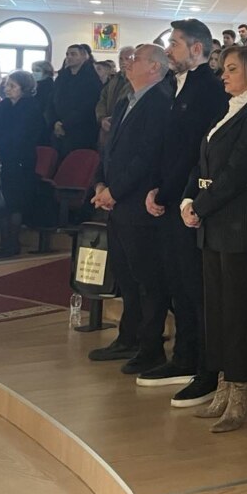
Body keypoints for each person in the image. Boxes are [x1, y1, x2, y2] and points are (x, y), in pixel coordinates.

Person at [182, 46, 247, 431]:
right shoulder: (229, 109)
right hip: (215, 218)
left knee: (240, 309)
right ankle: (225, 381)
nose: (223, 75)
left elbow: (239, 171)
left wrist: (201, 205)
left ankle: (243, 389)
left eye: (232, 69)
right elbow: (203, 162)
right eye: (224, 68)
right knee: (218, 307)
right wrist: (189, 199)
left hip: (239, 219)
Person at [142, 20, 231, 405]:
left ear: (197, 49)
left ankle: (202, 364)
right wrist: (156, 187)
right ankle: (183, 356)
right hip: (171, 198)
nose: (168, 51)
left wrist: (169, 193)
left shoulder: (208, 89)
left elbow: (195, 152)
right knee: (178, 284)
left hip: (189, 201)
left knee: (195, 290)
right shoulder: (176, 86)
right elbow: (165, 146)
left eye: (175, 44)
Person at [87, 45, 172, 374]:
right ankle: (128, 337)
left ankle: (151, 347)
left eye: (136, 58)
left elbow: (147, 156)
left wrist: (115, 191)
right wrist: (99, 184)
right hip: (116, 201)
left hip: (138, 204)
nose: (128, 62)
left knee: (147, 279)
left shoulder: (160, 101)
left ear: (154, 67)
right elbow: (108, 149)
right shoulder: (126, 99)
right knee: (125, 275)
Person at [0, 70, 46, 258]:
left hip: (20, 159)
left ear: (23, 88)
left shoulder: (31, 107)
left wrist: (1, 145)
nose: (7, 88)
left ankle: (12, 242)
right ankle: (3, 241)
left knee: (14, 202)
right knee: (2, 202)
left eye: (13, 86)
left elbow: (24, 135)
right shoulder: (3, 106)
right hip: (3, 156)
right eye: (7, 85)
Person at [50, 44, 102, 157]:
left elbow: (88, 106)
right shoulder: (62, 77)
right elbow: (52, 100)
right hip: (59, 127)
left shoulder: (91, 79)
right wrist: (55, 122)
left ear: (84, 57)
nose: (69, 57)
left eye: (73, 54)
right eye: (67, 54)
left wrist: (65, 124)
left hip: (80, 130)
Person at [96, 46, 135, 141]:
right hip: (108, 126)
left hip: (126, 129)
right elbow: (103, 99)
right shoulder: (115, 78)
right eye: (121, 59)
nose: (123, 62)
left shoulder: (139, 80)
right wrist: (102, 118)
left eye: (127, 58)